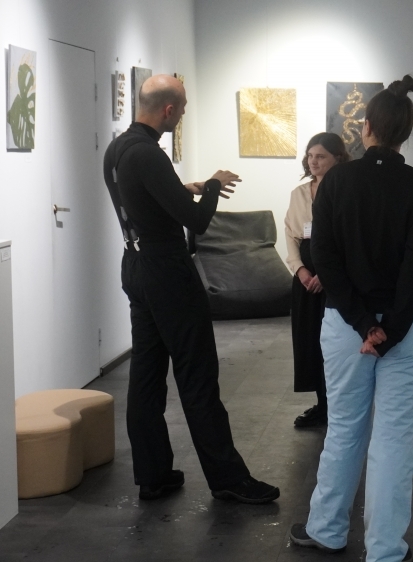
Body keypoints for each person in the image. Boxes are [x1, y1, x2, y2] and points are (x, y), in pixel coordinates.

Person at [102, 74, 280, 504]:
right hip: (168, 273)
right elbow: (197, 220)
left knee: (146, 376)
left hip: (136, 266)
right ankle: (228, 478)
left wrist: (190, 188)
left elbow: (144, 197)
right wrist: (214, 186)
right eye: (181, 108)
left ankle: (153, 475)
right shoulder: (149, 154)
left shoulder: (118, 148)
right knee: (197, 375)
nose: (182, 114)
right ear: (168, 110)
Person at [289, 75, 413, 562]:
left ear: (366, 126)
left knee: (345, 428)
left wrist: (362, 324)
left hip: (345, 326)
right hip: (408, 329)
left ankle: (327, 530)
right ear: (406, 133)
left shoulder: (337, 182)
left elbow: (324, 258)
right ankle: (386, 549)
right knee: (394, 438)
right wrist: (389, 329)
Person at [284, 132, 351, 428]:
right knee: (309, 340)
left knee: (334, 344)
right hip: (305, 275)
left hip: (334, 274)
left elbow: (348, 237)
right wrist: (300, 270)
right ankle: (322, 404)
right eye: (310, 156)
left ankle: (338, 405)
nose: (313, 161)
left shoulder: (347, 191)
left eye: (321, 156)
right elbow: (291, 234)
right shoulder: (299, 193)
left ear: (338, 158)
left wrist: (327, 274)